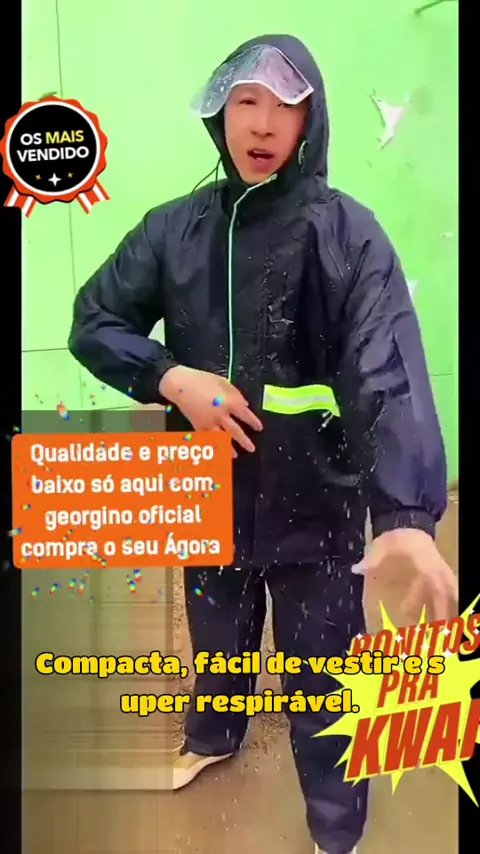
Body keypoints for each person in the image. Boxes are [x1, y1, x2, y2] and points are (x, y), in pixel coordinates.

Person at [68, 33, 457, 854]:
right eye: (246, 101)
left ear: (311, 120)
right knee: (216, 638)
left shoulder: (346, 235)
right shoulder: (173, 230)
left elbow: (386, 372)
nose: (263, 123)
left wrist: (407, 516)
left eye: (286, 105)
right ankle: (215, 737)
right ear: (220, 115)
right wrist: (171, 376)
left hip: (316, 502)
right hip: (205, 494)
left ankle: (337, 830)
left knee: (322, 673)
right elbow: (95, 320)